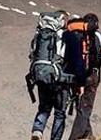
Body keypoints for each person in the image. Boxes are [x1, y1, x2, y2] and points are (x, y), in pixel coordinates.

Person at [29, 11, 85, 140]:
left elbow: (32, 54)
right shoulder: (68, 36)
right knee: (59, 113)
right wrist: (80, 83)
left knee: (44, 108)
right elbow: (78, 61)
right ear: (63, 21)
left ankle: (37, 131)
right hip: (60, 80)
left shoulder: (40, 35)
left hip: (41, 76)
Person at [68, 13, 101, 140]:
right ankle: (74, 137)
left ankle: (88, 135)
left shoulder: (76, 34)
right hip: (93, 75)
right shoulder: (99, 35)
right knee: (85, 107)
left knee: (81, 105)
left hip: (77, 75)